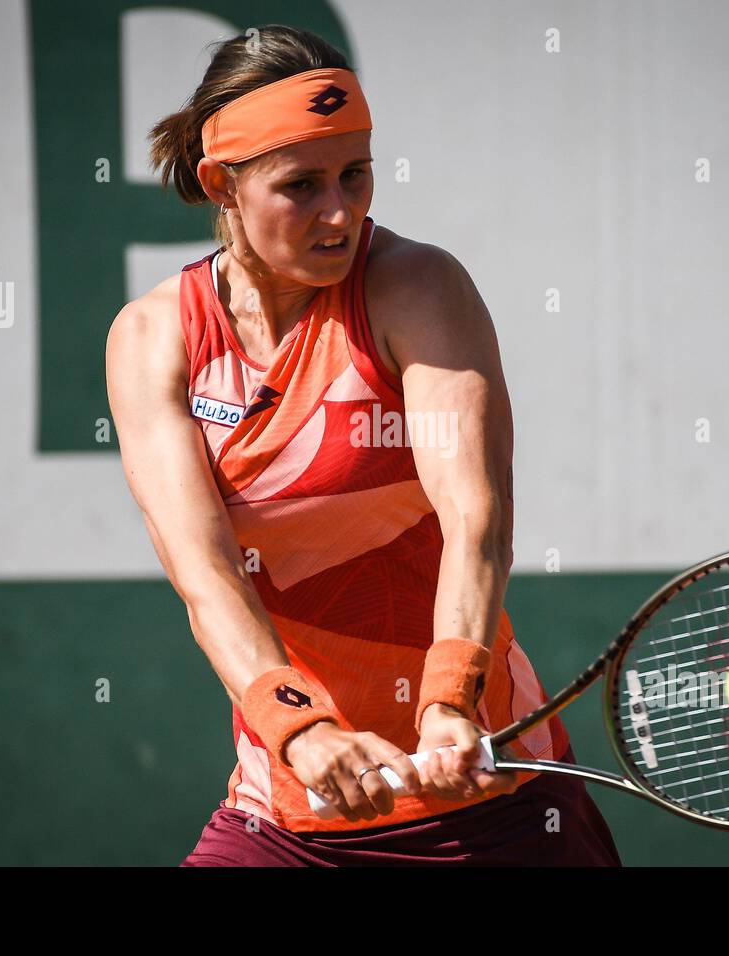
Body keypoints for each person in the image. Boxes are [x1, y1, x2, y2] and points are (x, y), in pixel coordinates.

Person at [105, 24, 620, 866]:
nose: (340, 212)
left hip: (494, 808)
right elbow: (205, 577)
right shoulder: (154, 338)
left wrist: (451, 701)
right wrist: (299, 729)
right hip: (286, 811)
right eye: (300, 185)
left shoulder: (417, 288)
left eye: (356, 173)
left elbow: (475, 517)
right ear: (220, 186)